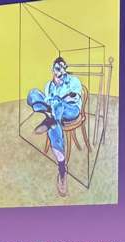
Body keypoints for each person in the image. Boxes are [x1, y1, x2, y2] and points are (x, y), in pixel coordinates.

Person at [26, 56, 83, 197]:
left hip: (71, 110)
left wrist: (56, 101)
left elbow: (73, 98)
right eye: (58, 68)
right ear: (52, 69)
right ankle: (50, 119)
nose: (61, 71)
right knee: (33, 94)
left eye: (64, 67)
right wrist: (50, 105)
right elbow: (47, 101)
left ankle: (62, 170)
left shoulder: (73, 81)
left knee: (56, 104)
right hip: (55, 111)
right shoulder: (48, 86)